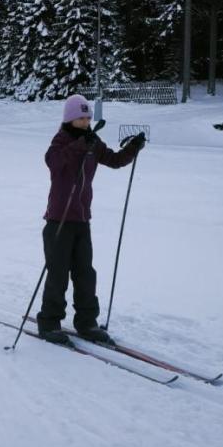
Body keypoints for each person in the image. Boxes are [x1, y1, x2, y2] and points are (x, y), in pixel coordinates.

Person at [37, 94, 145, 345]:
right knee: (58, 274)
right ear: (70, 119)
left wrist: (132, 149)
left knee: (85, 273)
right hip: (58, 221)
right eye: (81, 118)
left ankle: (87, 323)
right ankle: (49, 323)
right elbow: (53, 162)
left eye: (87, 118)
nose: (86, 122)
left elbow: (114, 160)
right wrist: (79, 146)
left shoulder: (93, 142)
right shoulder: (61, 141)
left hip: (82, 221)